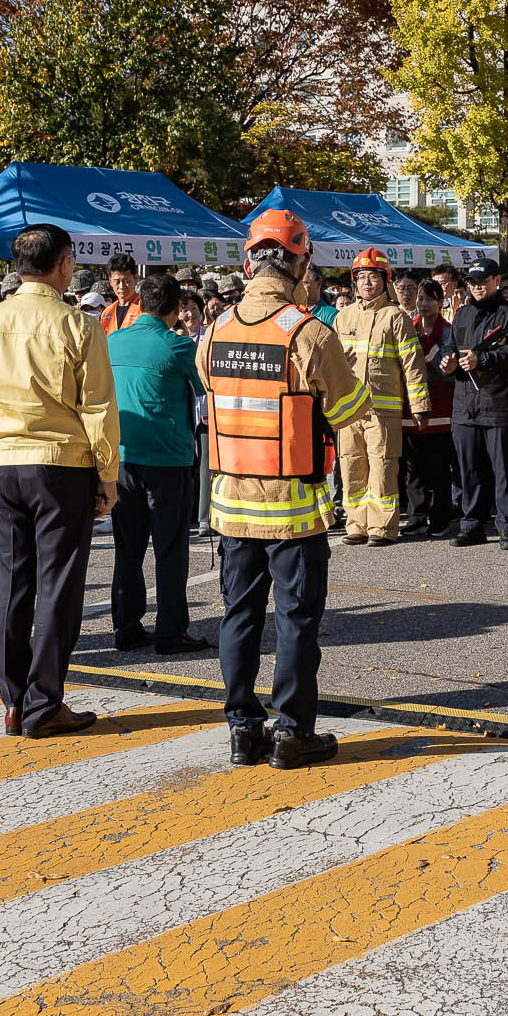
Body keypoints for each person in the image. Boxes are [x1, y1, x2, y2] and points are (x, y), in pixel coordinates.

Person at [202, 209, 370, 769]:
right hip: (293, 510)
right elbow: (350, 409)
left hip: (229, 507)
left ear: (249, 261)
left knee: (238, 616)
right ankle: (292, 732)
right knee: (296, 621)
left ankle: (242, 731)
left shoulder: (215, 331)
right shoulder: (309, 332)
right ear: (301, 264)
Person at [0, 222, 121, 740]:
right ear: (63, 263)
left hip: (6, 461)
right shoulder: (79, 325)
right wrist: (108, 474)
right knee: (58, 585)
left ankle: (12, 700)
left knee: (12, 581)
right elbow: (97, 407)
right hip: (62, 463)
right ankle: (43, 701)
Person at [107, 270, 209, 654]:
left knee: (127, 549)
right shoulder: (180, 347)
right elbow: (205, 391)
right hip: (168, 459)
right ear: (174, 308)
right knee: (169, 549)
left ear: (139, 303)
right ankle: (170, 631)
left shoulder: (113, 341)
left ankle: (127, 627)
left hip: (122, 459)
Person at [331, 251, 430, 547]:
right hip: (349, 410)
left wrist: (420, 406)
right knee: (350, 465)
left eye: (373, 276)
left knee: (383, 466)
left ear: (385, 280)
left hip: (382, 409)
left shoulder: (395, 316)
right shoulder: (343, 316)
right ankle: (356, 524)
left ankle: (383, 528)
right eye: (360, 277)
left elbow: (412, 363)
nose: (366, 283)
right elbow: (332, 364)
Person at [441, 259, 508, 550]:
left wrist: (484, 360)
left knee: (503, 470)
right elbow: (450, 346)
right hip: (465, 404)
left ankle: (506, 525)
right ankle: (472, 524)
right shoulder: (462, 314)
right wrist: (448, 360)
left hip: (499, 403)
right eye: (472, 282)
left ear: (496, 280)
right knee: (468, 470)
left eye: (483, 281)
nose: (477, 286)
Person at [401, 278, 456, 535]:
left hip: (441, 404)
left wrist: (427, 345)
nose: (423, 304)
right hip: (412, 405)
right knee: (414, 467)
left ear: (441, 302)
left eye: (429, 299)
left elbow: (446, 367)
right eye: (420, 298)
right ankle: (416, 515)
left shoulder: (448, 330)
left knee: (439, 466)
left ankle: (441, 517)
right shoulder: (408, 327)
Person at [99, 254, 142, 334]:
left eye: (126, 280)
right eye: (117, 281)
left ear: (136, 278)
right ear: (110, 281)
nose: (121, 286)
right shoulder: (106, 313)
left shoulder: (144, 308)